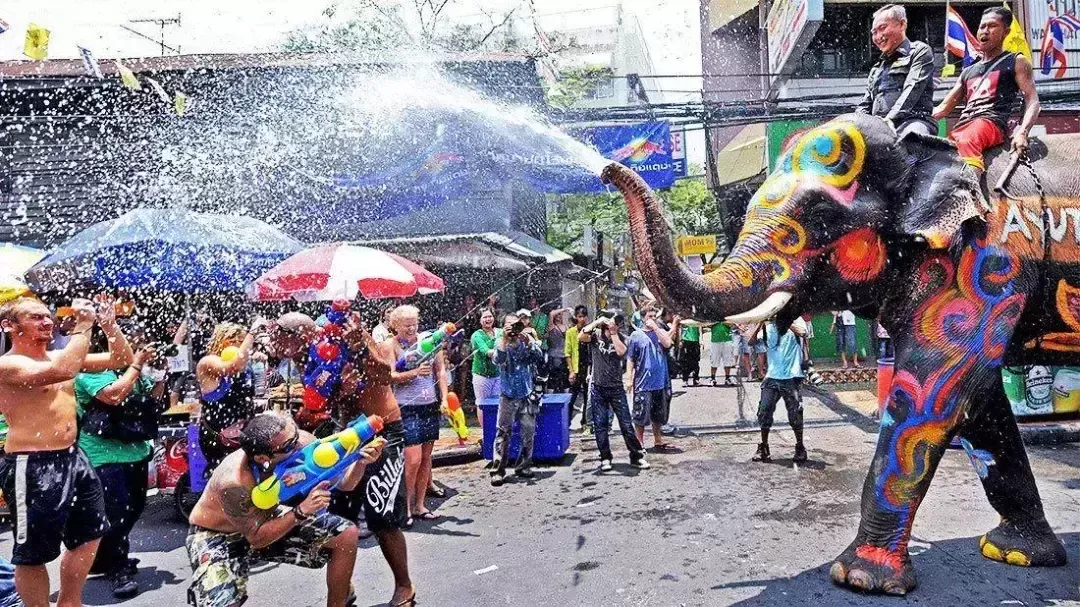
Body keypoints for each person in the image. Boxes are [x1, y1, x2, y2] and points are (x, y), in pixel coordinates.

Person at [0, 296, 133, 607]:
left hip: (74, 458)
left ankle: (69, 602)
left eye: (48, 316)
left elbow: (119, 359)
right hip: (31, 463)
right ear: (8, 326)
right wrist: (84, 326)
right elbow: (63, 370)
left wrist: (110, 327)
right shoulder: (7, 364)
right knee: (32, 553)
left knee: (90, 534)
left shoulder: (60, 355)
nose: (47, 322)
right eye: (35, 317)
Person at [283, 313, 415, 607]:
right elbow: (323, 402)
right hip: (347, 435)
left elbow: (385, 375)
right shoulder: (307, 359)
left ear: (300, 334)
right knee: (340, 516)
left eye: (281, 339)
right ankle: (344, 590)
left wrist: (363, 345)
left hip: (383, 429)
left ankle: (404, 586)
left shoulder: (347, 335)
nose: (277, 348)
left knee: (382, 515)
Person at [186, 413, 386, 607]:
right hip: (218, 534)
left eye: (296, 435)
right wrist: (300, 512)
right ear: (263, 457)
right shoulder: (234, 482)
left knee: (345, 534)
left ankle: (339, 599)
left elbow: (345, 484)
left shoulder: (302, 442)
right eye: (289, 445)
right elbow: (257, 538)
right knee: (223, 602)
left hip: (269, 519)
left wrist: (360, 462)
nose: (299, 444)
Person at [75, 323, 169, 599]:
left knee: (134, 509)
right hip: (101, 454)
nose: (136, 348)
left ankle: (105, 557)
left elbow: (152, 400)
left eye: (138, 343)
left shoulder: (135, 369)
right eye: (132, 343)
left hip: (135, 450)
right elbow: (113, 395)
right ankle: (117, 567)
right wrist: (137, 365)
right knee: (115, 512)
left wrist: (161, 376)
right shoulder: (91, 369)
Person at [933, 6, 1041, 174]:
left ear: (1006, 32)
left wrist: (1023, 132)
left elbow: (1033, 100)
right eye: (982, 26)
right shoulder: (968, 71)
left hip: (992, 123)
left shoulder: (1016, 61)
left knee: (967, 140)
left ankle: (970, 197)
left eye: (992, 26)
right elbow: (943, 108)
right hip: (965, 125)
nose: (985, 31)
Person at [389, 305, 447, 524]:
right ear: (395, 325)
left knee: (425, 459)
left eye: (414, 323)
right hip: (406, 406)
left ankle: (420, 505)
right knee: (412, 460)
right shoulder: (391, 344)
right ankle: (404, 508)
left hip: (429, 405)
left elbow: (440, 370)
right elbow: (390, 376)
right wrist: (413, 373)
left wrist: (444, 397)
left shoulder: (430, 341)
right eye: (406, 325)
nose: (412, 328)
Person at [579, 312, 649, 471]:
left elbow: (621, 352)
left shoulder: (622, 337)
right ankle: (605, 457)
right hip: (598, 387)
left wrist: (613, 333)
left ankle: (636, 456)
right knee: (600, 424)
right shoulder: (595, 335)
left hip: (616, 388)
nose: (614, 324)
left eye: (617, 322)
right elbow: (580, 338)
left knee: (626, 424)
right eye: (612, 321)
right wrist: (597, 321)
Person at [856, 4, 936, 137]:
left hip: (912, 121)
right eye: (874, 32)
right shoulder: (876, 68)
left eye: (882, 28)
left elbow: (912, 88)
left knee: (912, 139)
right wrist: (856, 123)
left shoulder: (919, 51)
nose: (878, 36)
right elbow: (865, 104)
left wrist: (889, 120)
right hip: (878, 128)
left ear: (902, 24)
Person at [196, 319, 264, 473]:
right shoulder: (209, 362)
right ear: (222, 341)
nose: (240, 345)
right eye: (235, 341)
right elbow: (235, 365)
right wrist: (252, 334)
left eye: (242, 341)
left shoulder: (244, 364)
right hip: (218, 437)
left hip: (241, 434)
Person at [489, 313, 545, 485]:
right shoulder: (499, 341)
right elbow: (499, 360)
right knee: (503, 432)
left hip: (527, 394)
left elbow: (538, 358)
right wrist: (505, 340)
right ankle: (498, 470)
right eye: (509, 325)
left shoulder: (525, 340)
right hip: (507, 395)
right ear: (503, 327)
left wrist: (529, 341)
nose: (513, 329)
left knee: (528, 433)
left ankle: (523, 466)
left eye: (516, 325)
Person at [749, 318, 809, 464]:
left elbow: (803, 332)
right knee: (764, 411)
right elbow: (751, 341)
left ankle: (800, 447)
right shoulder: (768, 328)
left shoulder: (796, 321)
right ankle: (764, 447)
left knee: (795, 414)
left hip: (792, 377)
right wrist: (760, 322)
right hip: (772, 377)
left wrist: (784, 319)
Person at [627, 307, 679, 452]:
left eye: (654, 316)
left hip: (660, 382)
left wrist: (656, 328)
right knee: (640, 415)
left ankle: (658, 439)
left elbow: (668, 344)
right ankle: (639, 443)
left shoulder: (660, 332)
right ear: (643, 318)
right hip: (643, 383)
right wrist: (629, 378)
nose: (652, 318)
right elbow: (630, 358)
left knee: (658, 414)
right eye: (649, 316)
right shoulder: (636, 336)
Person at [470, 309, 501, 421]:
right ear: (479, 320)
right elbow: (486, 351)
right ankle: (485, 434)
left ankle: (495, 432)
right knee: (482, 404)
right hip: (482, 375)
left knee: (497, 403)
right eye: (485, 317)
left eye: (490, 316)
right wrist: (503, 352)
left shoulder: (500, 332)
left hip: (497, 375)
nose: (488, 319)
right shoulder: (477, 335)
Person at [565, 305, 590, 430]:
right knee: (572, 396)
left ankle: (585, 422)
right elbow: (567, 353)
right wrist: (571, 371)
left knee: (587, 397)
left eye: (583, 316)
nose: (582, 319)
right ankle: (567, 422)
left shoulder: (590, 331)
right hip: (576, 368)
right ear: (576, 317)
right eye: (579, 316)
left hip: (588, 368)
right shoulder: (570, 332)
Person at [545, 307, 573, 393]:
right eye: (557, 315)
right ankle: (550, 399)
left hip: (565, 356)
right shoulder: (551, 326)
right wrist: (564, 309)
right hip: (554, 356)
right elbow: (551, 313)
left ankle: (567, 401)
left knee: (565, 378)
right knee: (553, 378)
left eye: (560, 315)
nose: (558, 316)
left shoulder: (565, 326)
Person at [708, 322, 738, 386]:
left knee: (728, 360)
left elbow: (732, 324)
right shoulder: (712, 314)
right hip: (715, 340)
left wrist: (724, 322)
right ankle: (712, 378)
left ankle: (727, 378)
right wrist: (715, 321)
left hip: (727, 339)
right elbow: (708, 324)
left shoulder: (726, 314)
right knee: (714, 360)